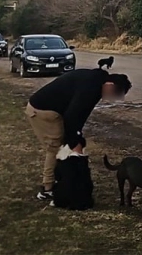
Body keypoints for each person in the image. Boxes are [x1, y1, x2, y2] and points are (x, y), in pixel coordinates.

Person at [26, 66, 132, 200]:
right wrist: (75, 143)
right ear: (110, 85)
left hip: (55, 111)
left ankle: (62, 180)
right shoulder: (90, 87)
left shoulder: (97, 83)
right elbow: (71, 117)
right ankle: (47, 188)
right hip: (42, 110)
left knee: (65, 144)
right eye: (114, 94)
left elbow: (81, 115)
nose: (112, 98)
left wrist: (78, 138)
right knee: (55, 147)